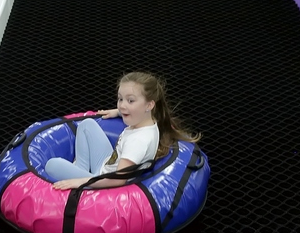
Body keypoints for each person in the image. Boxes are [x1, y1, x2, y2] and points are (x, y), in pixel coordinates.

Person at [46, 72, 199, 190]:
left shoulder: (138, 141)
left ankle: (81, 176)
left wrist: (79, 182)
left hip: (105, 179)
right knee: (86, 125)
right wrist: (118, 112)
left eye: (130, 100)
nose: (122, 105)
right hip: (106, 164)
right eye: (120, 99)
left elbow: (118, 180)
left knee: (52, 165)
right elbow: (132, 110)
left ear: (149, 105)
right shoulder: (151, 119)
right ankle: (81, 168)